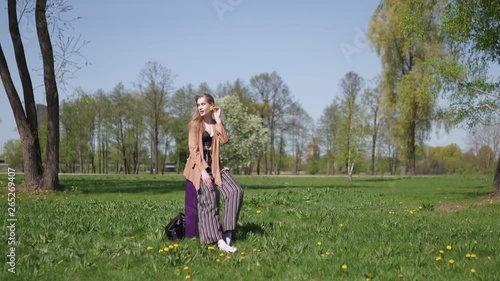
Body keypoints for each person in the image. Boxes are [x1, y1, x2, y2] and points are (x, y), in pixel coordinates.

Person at [183, 93, 244, 252]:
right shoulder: (195, 125)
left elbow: (224, 139)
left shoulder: (215, 123)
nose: (200, 107)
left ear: (211, 105)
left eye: (203, 104)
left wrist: (218, 119)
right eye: (198, 105)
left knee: (235, 191)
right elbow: (193, 151)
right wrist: (203, 171)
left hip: (216, 167)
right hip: (199, 168)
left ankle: (227, 233)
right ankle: (218, 241)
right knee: (209, 196)